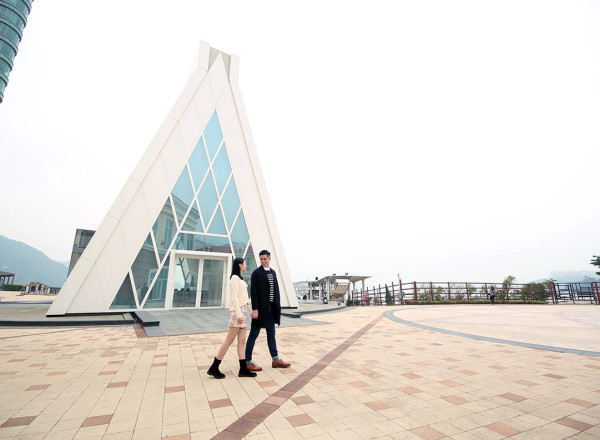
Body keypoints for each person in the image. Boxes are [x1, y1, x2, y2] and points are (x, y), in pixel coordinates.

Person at [207, 257, 257, 379]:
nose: (246, 265)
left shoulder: (240, 278)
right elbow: (234, 298)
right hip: (237, 312)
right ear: (240, 265)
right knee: (229, 340)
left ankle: (243, 369)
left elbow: (244, 299)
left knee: (242, 341)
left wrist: (252, 311)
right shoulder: (234, 278)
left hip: (243, 311)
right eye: (245, 263)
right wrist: (239, 315)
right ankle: (214, 367)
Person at [245, 250, 291, 371]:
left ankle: (275, 360)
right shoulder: (256, 273)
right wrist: (255, 309)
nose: (263, 261)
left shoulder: (273, 272)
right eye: (261, 259)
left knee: (271, 334)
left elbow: (275, 290)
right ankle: (247, 362)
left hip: (271, 309)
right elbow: (253, 292)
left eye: (265, 258)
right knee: (253, 334)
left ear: (269, 258)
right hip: (260, 310)